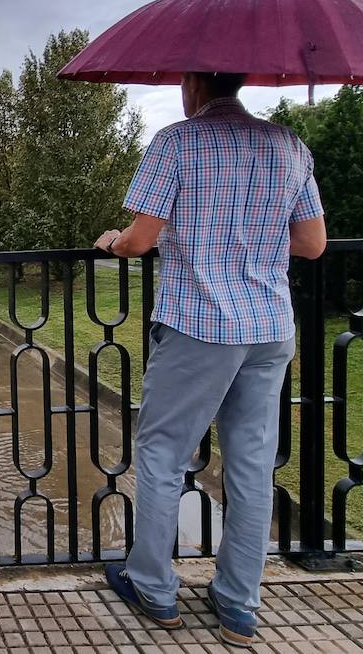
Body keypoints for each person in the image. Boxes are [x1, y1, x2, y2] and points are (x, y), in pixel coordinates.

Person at [91, 72, 326, 649]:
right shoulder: (288, 145)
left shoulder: (176, 141)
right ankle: (238, 603)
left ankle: (153, 585)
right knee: (250, 461)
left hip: (202, 324)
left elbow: (141, 238)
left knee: (163, 450)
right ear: (241, 81)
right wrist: (254, 236)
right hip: (269, 328)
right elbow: (312, 242)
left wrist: (114, 240)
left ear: (192, 82)